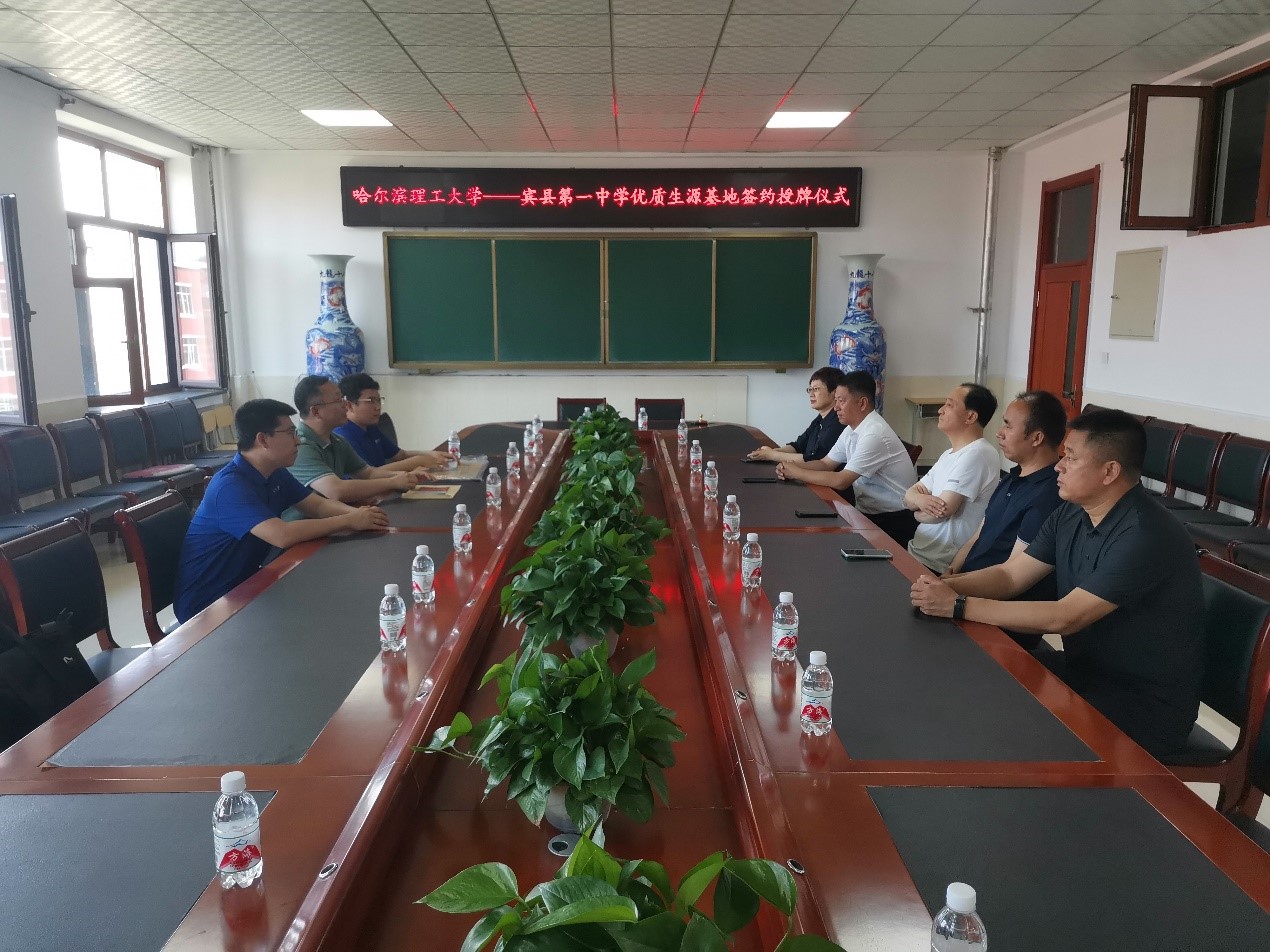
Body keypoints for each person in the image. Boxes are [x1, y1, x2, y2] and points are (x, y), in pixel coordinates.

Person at [911, 409, 1204, 758]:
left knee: (1002, 724)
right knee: (977, 679)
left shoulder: (1144, 534)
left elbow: (1066, 616)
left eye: (1071, 458)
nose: (1058, 466)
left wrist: (958, 606)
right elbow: (1011, 576)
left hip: (1142, 705)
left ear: (1109, 471)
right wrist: (945, 585)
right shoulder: (1073, 512)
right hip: (1084, 673)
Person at [174, 398, 389, 623]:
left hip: (249, 584)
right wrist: (349, 520)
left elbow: (318, 506)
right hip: (208, 605)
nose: (298, 440)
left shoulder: (274, 472)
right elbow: (281, 535)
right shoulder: (229, 486)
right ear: (263, 439)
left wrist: (357, 515)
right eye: (290, 433)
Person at [942, 390, 1066, 649]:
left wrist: (949, 588)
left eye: (1008, 426)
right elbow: (979, 535)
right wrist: (951, 572)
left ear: (1037, 438)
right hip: (965, 593)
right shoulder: (1012, 477)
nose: (999, 433)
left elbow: (1010, 577)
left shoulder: (1049, 497)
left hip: (996, 618)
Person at [777, 371, 920, 546]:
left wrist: (797, 473)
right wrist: (790, 466)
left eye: (841, 401)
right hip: (867, 513)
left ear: (862, 403)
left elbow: (841, 481)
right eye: (836, 400)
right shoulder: (852, 428)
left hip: (894, 520)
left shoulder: (874, 433)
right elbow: (826, 463)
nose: (836, 407)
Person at [904, 383, 1001, 574]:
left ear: (971, 416)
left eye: (949, 405)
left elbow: (940, 512)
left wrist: (916, 510)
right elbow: (909, 494)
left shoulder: (978, 453)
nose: (940, 410)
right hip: (919, 551)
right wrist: (918, 500)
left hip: (940, 564)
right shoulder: (949, 454)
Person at [288, 375, 424, 508]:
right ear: (316, 411)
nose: (345, 405)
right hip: (306, 521)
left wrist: (404, 476)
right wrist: (392, 482)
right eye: (338, 400)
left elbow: (368, 473)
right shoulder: (300, 446)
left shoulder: (337, 441)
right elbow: (336, 490)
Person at [334, 372, 451, 471]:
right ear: (349, 405)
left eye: (379, 400)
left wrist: (430, 454)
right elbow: (368, 475)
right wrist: (418, 461)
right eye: (371, 401)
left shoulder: (370, 427)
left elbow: (400, 455)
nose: (378, 407)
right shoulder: (343, 436)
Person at [747, 367, 846, 463]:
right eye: (809, 389)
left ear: (834, 393)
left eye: (816, 389)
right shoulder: (820, 418)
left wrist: (772, 455)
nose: (811, 394)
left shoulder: (838, 422)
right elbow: (798, 446)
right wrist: (769, 452)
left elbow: (815, 459)